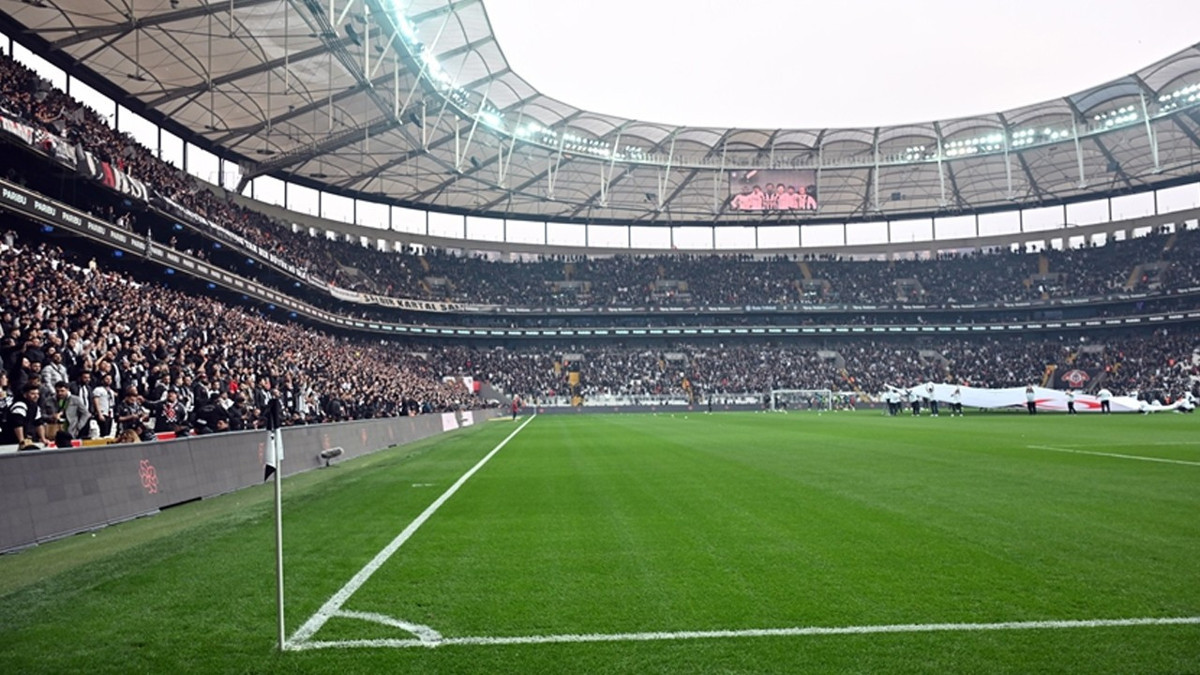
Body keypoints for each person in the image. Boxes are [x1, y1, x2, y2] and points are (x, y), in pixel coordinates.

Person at [2, 383, 48, 450]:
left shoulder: (35, 407)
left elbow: (39, 423)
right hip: (12, 441)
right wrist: (21, 441)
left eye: (37, 394)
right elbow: (17, 424)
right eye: (33, 394)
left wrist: (43, 438)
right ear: (25, 395)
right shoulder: (19, 405)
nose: (36, 396)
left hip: (29, 438)